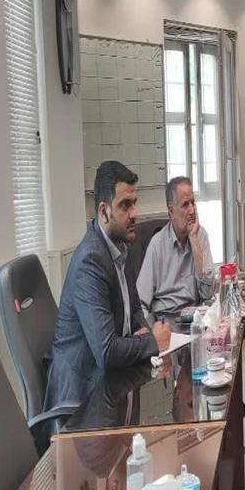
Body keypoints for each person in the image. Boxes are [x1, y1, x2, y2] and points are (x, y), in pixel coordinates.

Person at [44, 161, 171, 414]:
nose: (134, 213)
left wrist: (143, 332)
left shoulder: (121, 246)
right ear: (104, 211)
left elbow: (135, 310)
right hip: (82, 399)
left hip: (112, 383)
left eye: (135, 203)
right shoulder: (90, 261)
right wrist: (152, 342)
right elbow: (107, 350)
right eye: (125, 205)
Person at [136, 176, 215, 320]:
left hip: (195, 318)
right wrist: (152, 329)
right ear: (171, 212)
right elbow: (140, 302)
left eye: (193, 203)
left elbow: (208, 294)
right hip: (166, 318)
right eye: (185, 205)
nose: (192, 211)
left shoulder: (200, 235)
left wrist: (194, 239)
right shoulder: (157, 244)